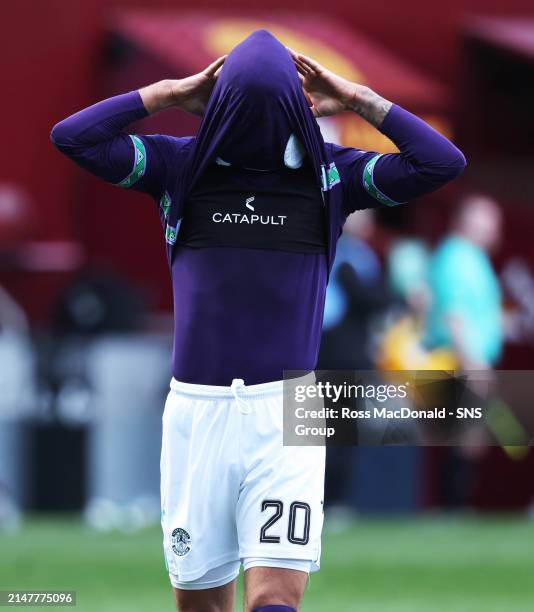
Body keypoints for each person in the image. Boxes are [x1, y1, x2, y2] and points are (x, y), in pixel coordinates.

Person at [51, 30, 465, 612]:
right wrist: (170, 91)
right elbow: (70, 138)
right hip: (198, 414)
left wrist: (357, 98)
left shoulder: (326, 178)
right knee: (201, 607)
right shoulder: (182, 167)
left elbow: (443, 162)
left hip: (285, 414)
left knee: (275, 601)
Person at [425, 195, 503, 370]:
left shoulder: (474, 256)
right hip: (456, 362)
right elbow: (454, 313)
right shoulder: (457, 256)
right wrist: (473, 364)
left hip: (465, 361)